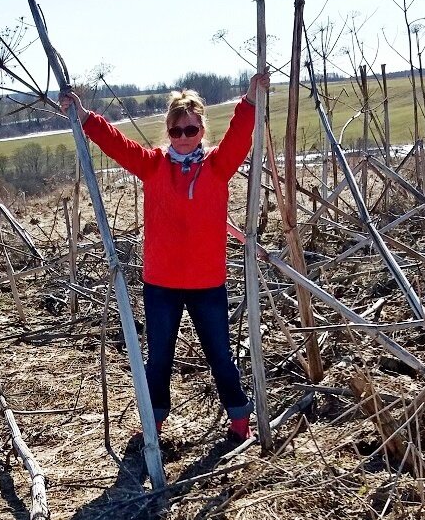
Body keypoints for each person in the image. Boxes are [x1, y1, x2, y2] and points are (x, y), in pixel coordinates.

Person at [60, 73, 270, 442]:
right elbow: (117, 144)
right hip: (161, 285)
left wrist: (251, 100)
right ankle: (153, 426)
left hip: (208, 284)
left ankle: (240, 422)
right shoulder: (153, 166)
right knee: (158, 362)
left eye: (191, 130)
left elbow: (239, 135)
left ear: (202, 129)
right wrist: (85, 116)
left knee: (221, 357)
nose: (184, 138)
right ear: (168, 131)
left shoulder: (218, 168)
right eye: (177, 131)